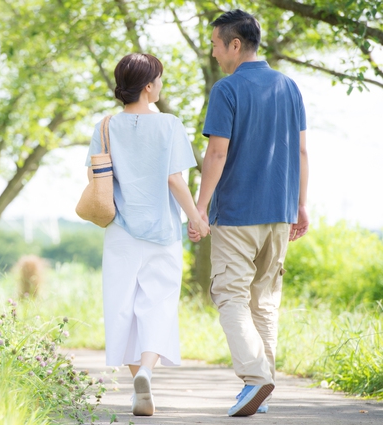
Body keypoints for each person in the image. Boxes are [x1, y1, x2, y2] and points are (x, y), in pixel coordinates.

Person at [189, 9, 309, 417]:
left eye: (215, 44)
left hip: (238, 211)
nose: (213, 51)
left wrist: (199, 207)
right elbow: (302, 151)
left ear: (235, 45)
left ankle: (256, 378)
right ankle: (261, 393)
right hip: (279, 211)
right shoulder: (289, 87)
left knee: (229, 295)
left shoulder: (228, 89)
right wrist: (301, 204)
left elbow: (217, 152)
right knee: (264, 302)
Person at [85, 53, 209, 417]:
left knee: (122, 307)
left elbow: (96, 180)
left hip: (120, 231)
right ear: (149, 86)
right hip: (162, 231)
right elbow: (175, 180)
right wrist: (196, 219)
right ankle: (149, 374)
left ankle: (138, 380)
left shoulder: (105, 126)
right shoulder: (169, 124)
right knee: (158, 304)